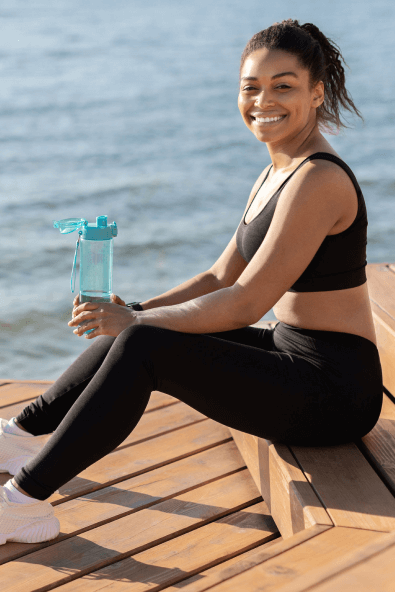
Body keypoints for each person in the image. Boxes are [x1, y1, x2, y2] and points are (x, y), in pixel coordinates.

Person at [0, 19, 383, 545]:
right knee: (135, 321)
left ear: (317, 93)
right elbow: (219, 275)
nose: (263, 100)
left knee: (143, 340)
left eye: (284, 85)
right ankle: (20, 435)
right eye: (251, 87)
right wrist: (136, 309)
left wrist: (135, 321)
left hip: (334, 390)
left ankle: (20, 502)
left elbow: (245, 302)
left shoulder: (319, 179)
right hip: (291, 352)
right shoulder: (279, 169)